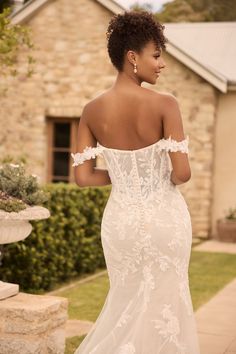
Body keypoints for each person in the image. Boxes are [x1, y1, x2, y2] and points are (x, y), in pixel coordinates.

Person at [71, 10, 200, 354]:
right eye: (156, 55)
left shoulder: (91, 110)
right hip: (164, 219)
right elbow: (182, 173)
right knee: (165, 306)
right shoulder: (165, 104)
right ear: (132, 57)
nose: (161, 64)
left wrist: (125, 174)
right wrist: (155, 175)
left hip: (120, 223)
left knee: (125, 301)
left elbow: (83, 178)